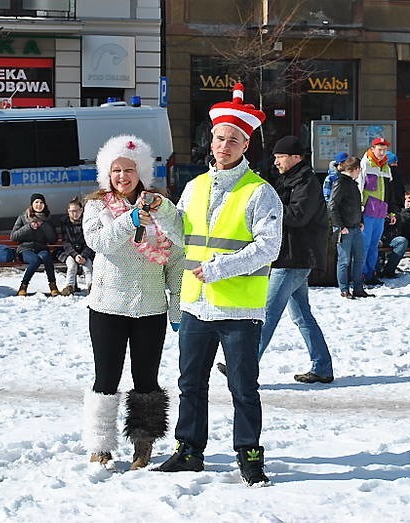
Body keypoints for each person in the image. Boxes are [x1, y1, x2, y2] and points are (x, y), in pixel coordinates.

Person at [157, 83, 282, 487]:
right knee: (190, 383)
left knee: (244, 387)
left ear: (246, 145)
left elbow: (270, 247)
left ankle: (248, 454)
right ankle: (189, 449)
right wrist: (158, 214)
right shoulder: (194, 187)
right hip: (195, 305)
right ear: (209, 141)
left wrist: (220, 269)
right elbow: (183, 233)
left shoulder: (260, 192)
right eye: (218, 138)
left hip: (238, 310)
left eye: (233, 140)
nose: (223, 146)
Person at [81, 135, 184, 471]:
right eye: (116, 171)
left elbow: (175, 255)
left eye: (129, 170)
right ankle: (100, 445)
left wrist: (176, 304)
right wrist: (131, 220)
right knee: (106, 378)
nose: (122, 176)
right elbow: (100, 242)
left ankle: (144, 445)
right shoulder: (97, 207)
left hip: (150, 308)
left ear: (141, 172)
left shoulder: (159, 207)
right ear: (106, 175)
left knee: (146, 381)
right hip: (107, 308)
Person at [257, 135, 333, 384]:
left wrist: (268, 209)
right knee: (302, 316)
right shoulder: (290, 179)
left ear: (295, 158)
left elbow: (297, 216)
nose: (276, 161)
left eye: (281, 157)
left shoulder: (307, 183)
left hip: (295, 257)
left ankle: (244, 364)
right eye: (276, 156)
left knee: (267, 313)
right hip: (291, 255)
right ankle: (322, 367)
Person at [330, 156, 371, 298]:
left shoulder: (352, 183)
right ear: (355, 169)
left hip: (355, 226)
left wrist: (360, 220)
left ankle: (358, 288)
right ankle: (344, 289)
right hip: (345, 228)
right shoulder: (340, 182)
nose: (359, 173)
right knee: (344, 260)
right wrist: (340, 226)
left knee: (359, 258)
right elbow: (333, 206)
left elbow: (355, 205)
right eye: (359, 170)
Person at [360, 137, 398, 285]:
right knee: (364, 245)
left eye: (384, 150)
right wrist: (359, 211)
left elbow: (390, 192)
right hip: (367, 211)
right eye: (379, 149)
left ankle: (371, 274)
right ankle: (361, 275)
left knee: (374, 245)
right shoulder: (365, 163)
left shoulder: (386, 167)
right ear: (373, 148)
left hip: (381, 212)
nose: (382, 152)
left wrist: (392, 211)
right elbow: (359, 187)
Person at [10, 193, 60, 296]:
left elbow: (53, 240)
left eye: (41, 202)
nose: (39, 204)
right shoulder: (23, 217)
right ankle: (23, 286)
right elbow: (13, 237)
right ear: (32, 204)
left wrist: (44, 226)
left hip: (41, 248)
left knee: (46, 256)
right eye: (36, 202)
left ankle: (53, 285)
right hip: (25, 249)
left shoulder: (48, 218)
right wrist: (28, 227)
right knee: (35, 260)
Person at [57, 197, 94, 296]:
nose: (75, 213)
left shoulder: (87, 222)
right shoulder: (64, 222)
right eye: (72, 211)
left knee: (87, 266)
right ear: (68, 211)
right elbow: (66, 242)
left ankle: (91, 286)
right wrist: (75, 255)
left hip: (85, 251)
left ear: (81, 210)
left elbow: (90, 241)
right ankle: (69, 287)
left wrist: (84, 256)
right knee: (72, 265)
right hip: (70, 252)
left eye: (77, 211)